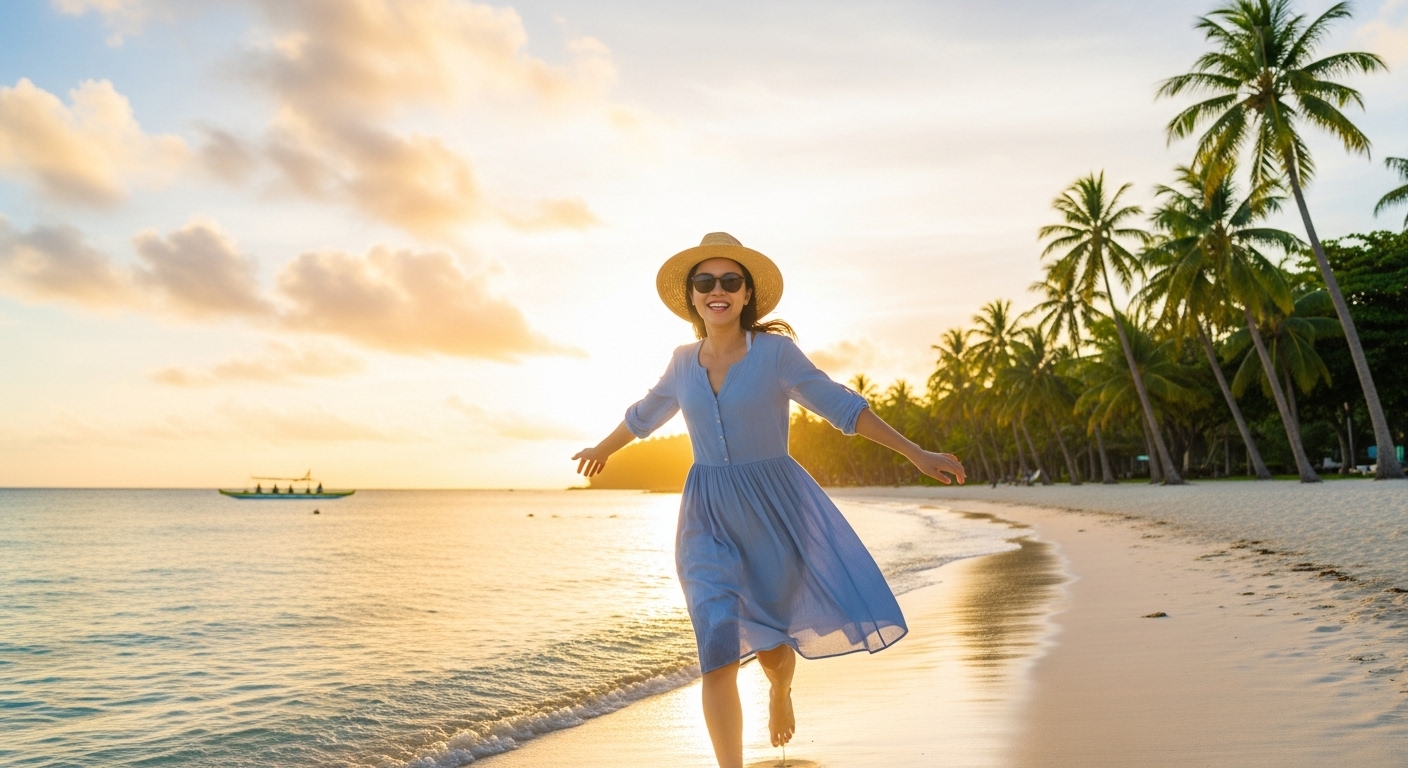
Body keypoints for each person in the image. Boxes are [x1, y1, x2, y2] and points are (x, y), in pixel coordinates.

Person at [573, 233, 965, 768]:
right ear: (691, 297)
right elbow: (645, 414)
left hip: (775, 513)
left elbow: (842, 407)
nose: (718, 290)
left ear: (745, 294)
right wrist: (603, 447)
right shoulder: (681, 361)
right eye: (705, 282)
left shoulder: (777, 354)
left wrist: (915, 452)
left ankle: (780, 689)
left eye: (729, 281)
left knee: (775, 650)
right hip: (705, 516)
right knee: (715, 642)